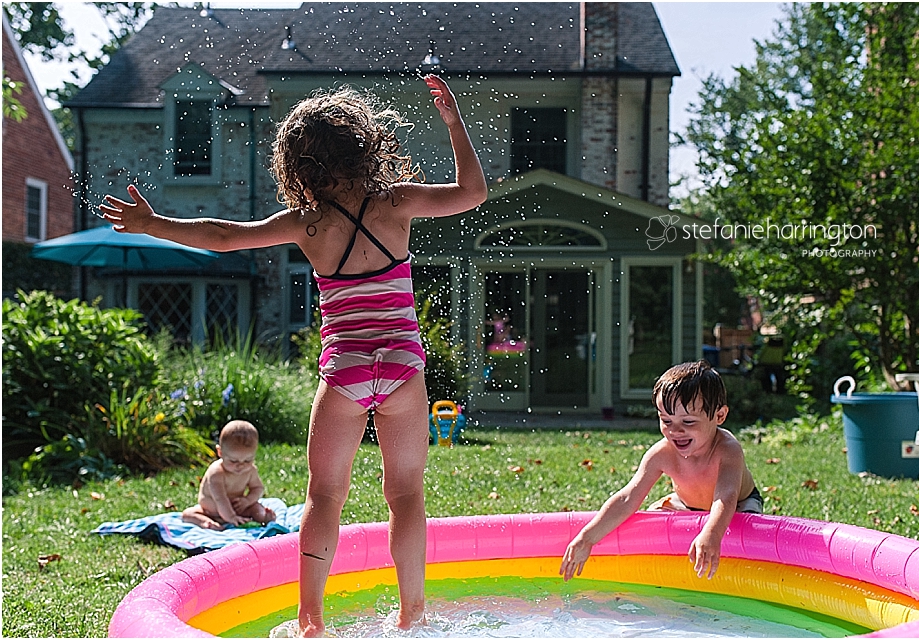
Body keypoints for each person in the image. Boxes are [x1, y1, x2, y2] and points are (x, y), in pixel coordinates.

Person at [99, 75, 486, 637]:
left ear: (297, 165)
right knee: (405, 496)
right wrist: (453, 123)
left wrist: (155, 223)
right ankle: (412, 617)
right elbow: (473, 193)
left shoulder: (308, 223)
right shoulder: (396, 201)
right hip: (402, 369)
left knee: (324, 497)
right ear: (365, 145)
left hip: (346, 372)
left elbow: (227, 235)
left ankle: (311, 624)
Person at [560, 360, 761, 582]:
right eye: (666, 420)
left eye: (688, 421)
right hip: (685, 504)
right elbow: (628, 498)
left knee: (747, 536)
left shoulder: (727, 449)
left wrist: (712, 533)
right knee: (650, 525)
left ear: (719, 416)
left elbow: (726, 497)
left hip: (739, 505)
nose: (676, 431)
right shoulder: (662, 453)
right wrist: (587, 538)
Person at [181, 420, 277, 530]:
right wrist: (231, 517)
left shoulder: (250, 470)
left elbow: (258, 488)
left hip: (238, 509)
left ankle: (264, 519)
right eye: (233, 461)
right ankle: (206, 522)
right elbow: (219, 498)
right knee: (187, 514)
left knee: (257, 509)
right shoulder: (216, 472)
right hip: (212, 511)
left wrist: (247, 501)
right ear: (220, 452)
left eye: (247, 460)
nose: (240, 466)